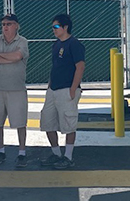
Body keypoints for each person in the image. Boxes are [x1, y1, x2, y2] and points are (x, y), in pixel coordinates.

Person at [40, 14, 85, 169]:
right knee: (47, 121)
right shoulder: (56, 44)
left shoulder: (74, 44)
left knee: (68, 124)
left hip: (67, 89)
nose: (54, 29)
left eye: (56, 26)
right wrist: (49, 86)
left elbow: (80, 66)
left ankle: (68, 157)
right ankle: (56, 153)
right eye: (53, 27)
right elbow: (55, 66)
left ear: (65, 27)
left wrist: (73, 89)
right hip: (53, 90)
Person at [0, 13, 29, 168]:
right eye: (3, 24)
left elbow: (18, 56)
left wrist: (0, 57)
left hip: (16, 88)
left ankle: (22, 152)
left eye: (9, 24)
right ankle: (0, 150)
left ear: (16, 25)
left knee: (20, 122)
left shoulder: (22, 41)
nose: (5, 27)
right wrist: (7, 59)